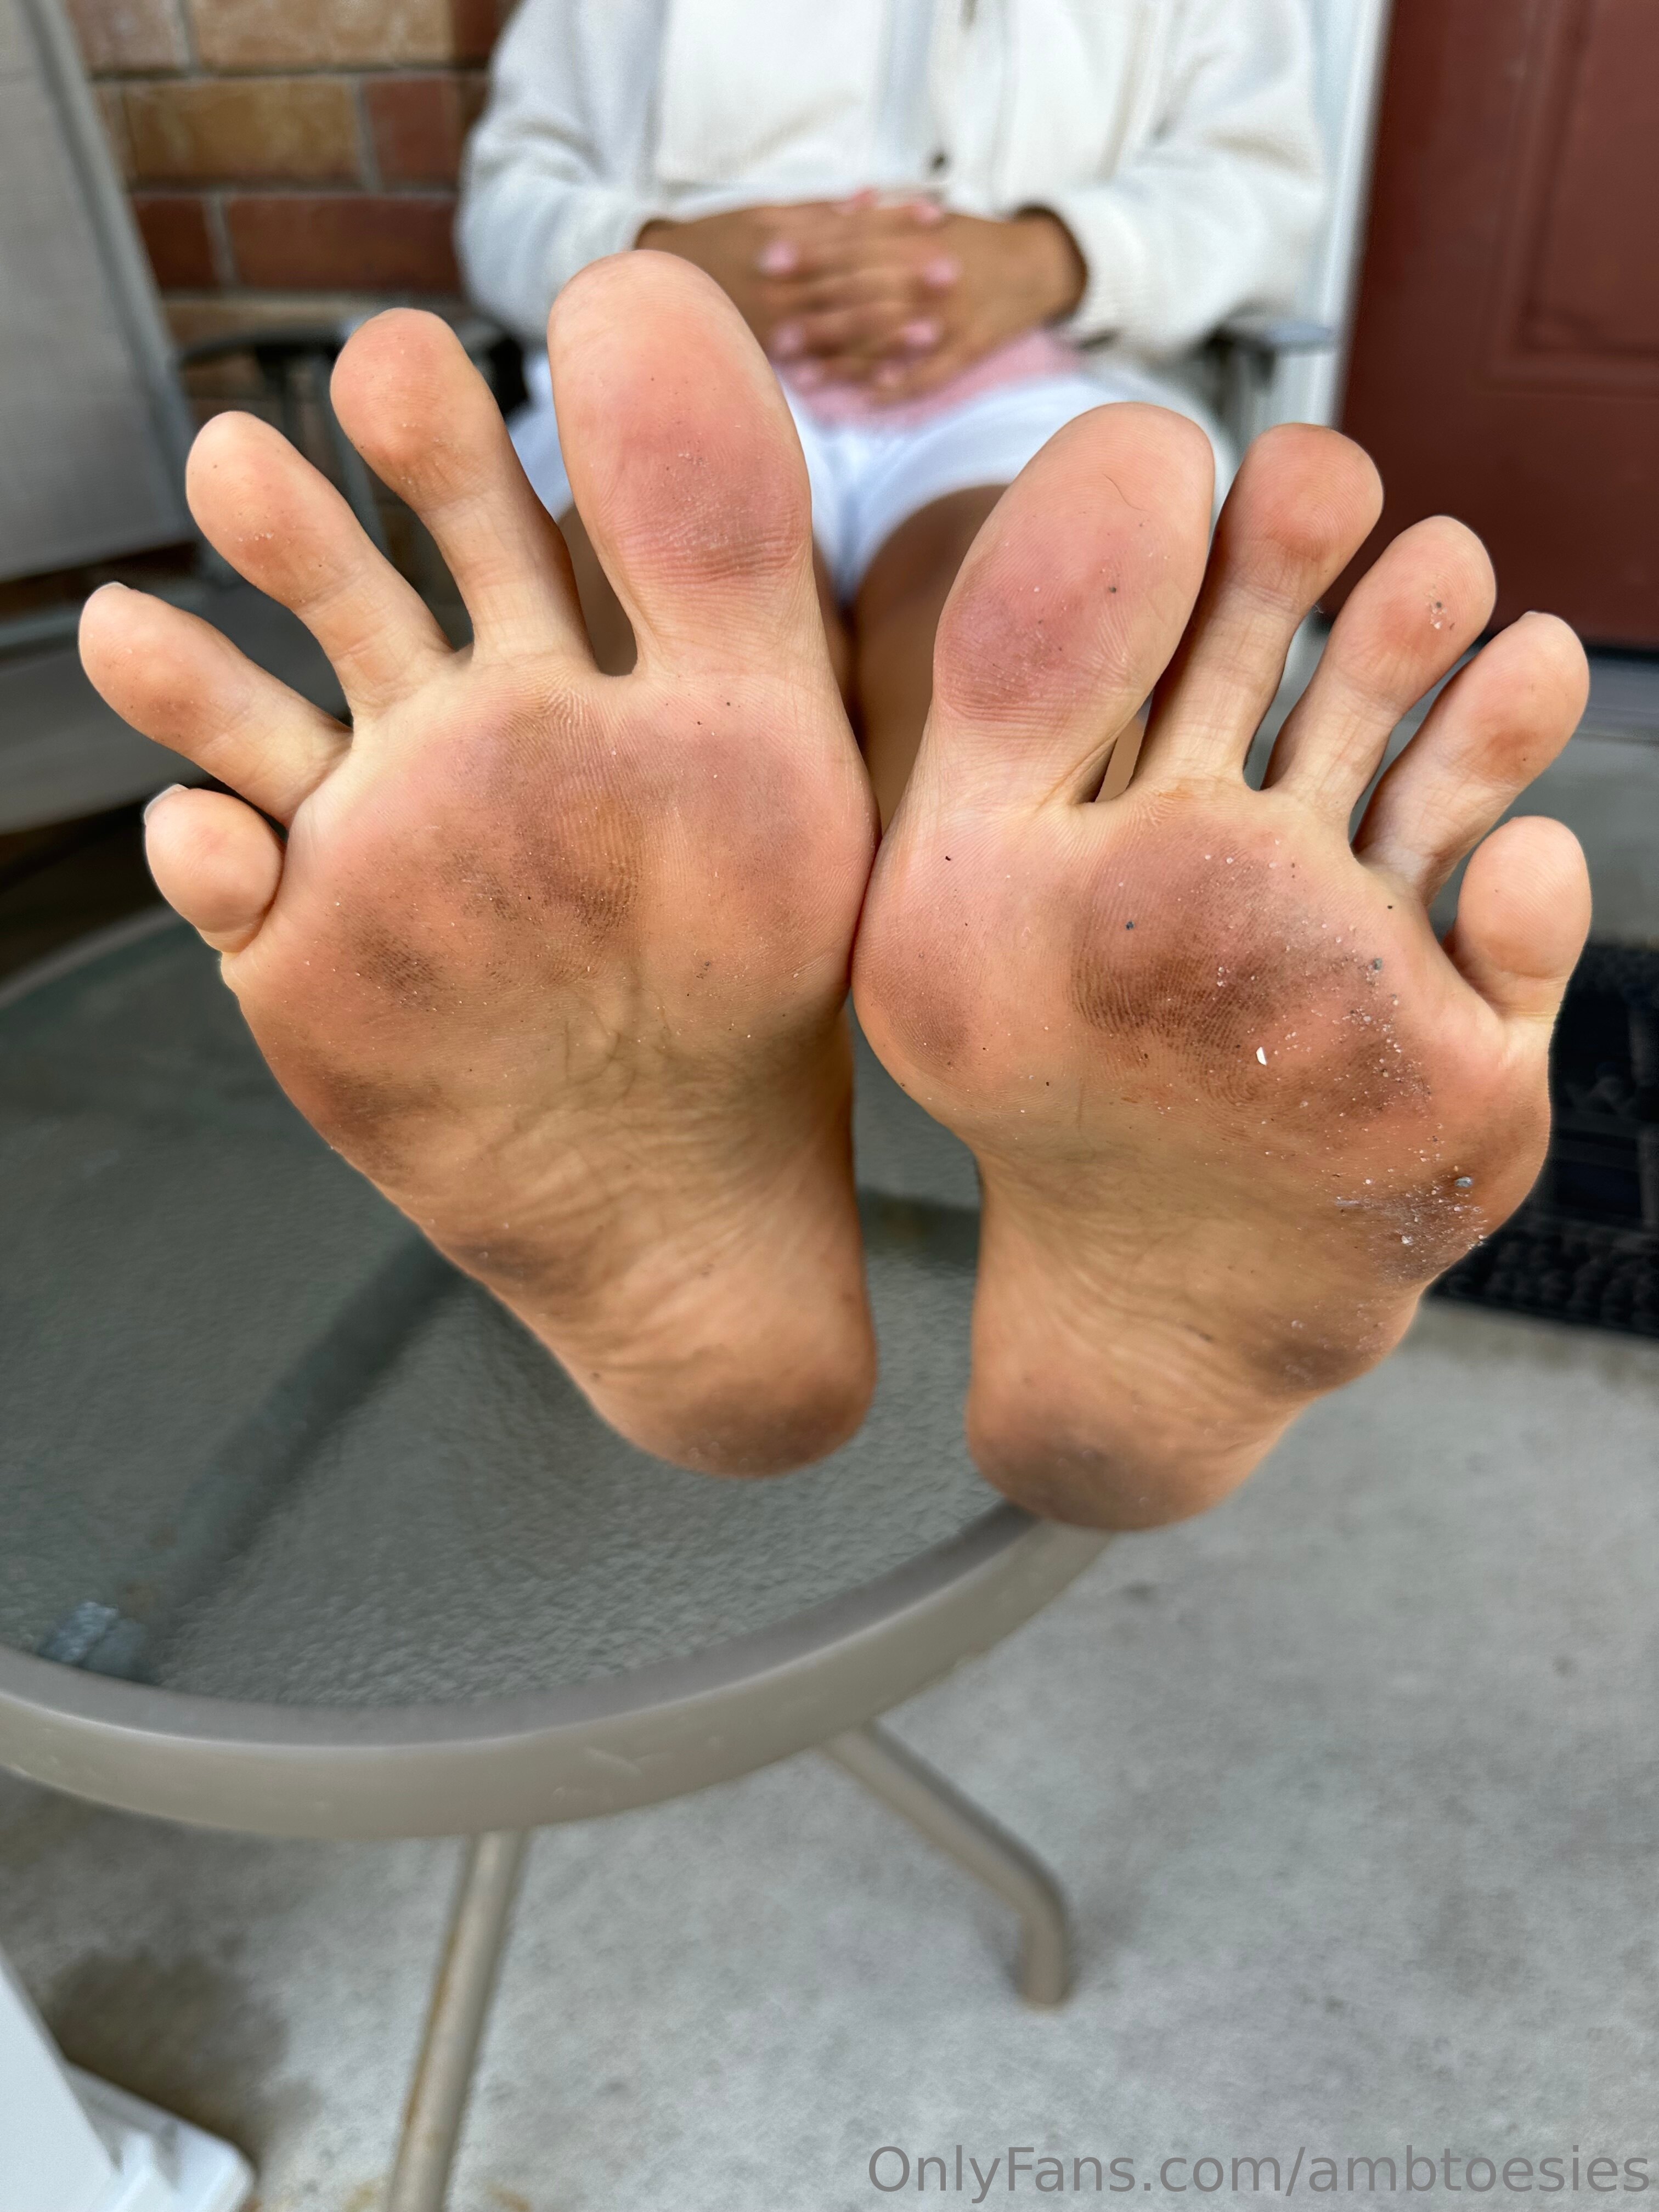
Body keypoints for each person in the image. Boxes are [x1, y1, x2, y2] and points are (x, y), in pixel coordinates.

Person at [78, 252, 1591, 1527]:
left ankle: (917, 900)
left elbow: (1233, 194)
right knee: (779, 583)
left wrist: (1052, 254)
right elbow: (535, 187)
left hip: (993, 384)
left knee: (923, 590)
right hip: (722, 382)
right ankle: (1006, 901)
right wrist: (690, 230)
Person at [458, 0, 1327, 819]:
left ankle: (706, 871)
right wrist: (661, 249)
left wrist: (1059, 256)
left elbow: (1259, 183)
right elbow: (510, 197)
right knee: (683, 603)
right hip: (691, 347)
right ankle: (969, 891)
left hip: (1031, 376)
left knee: (1018, 633)